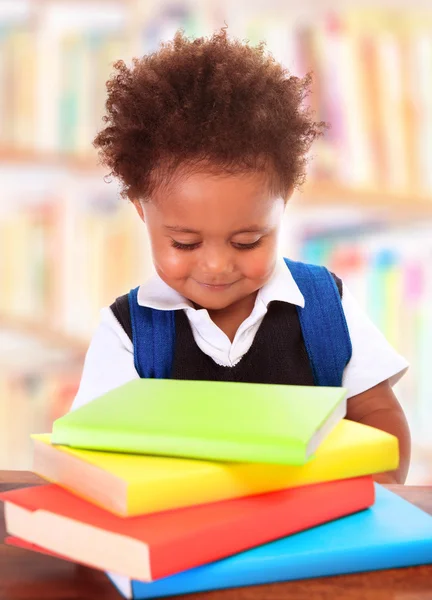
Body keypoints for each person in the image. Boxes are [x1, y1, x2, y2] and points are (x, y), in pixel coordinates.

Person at [71, 29, 410, 483]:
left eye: (247, 241)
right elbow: (93, 452)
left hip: (309, 536)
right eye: (185, 244)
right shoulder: (130, 335)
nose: (216, 266)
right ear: (140, 210)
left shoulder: (326, 307)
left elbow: (377, 414)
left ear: (284, 201)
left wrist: (375, 495)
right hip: (186, 538)